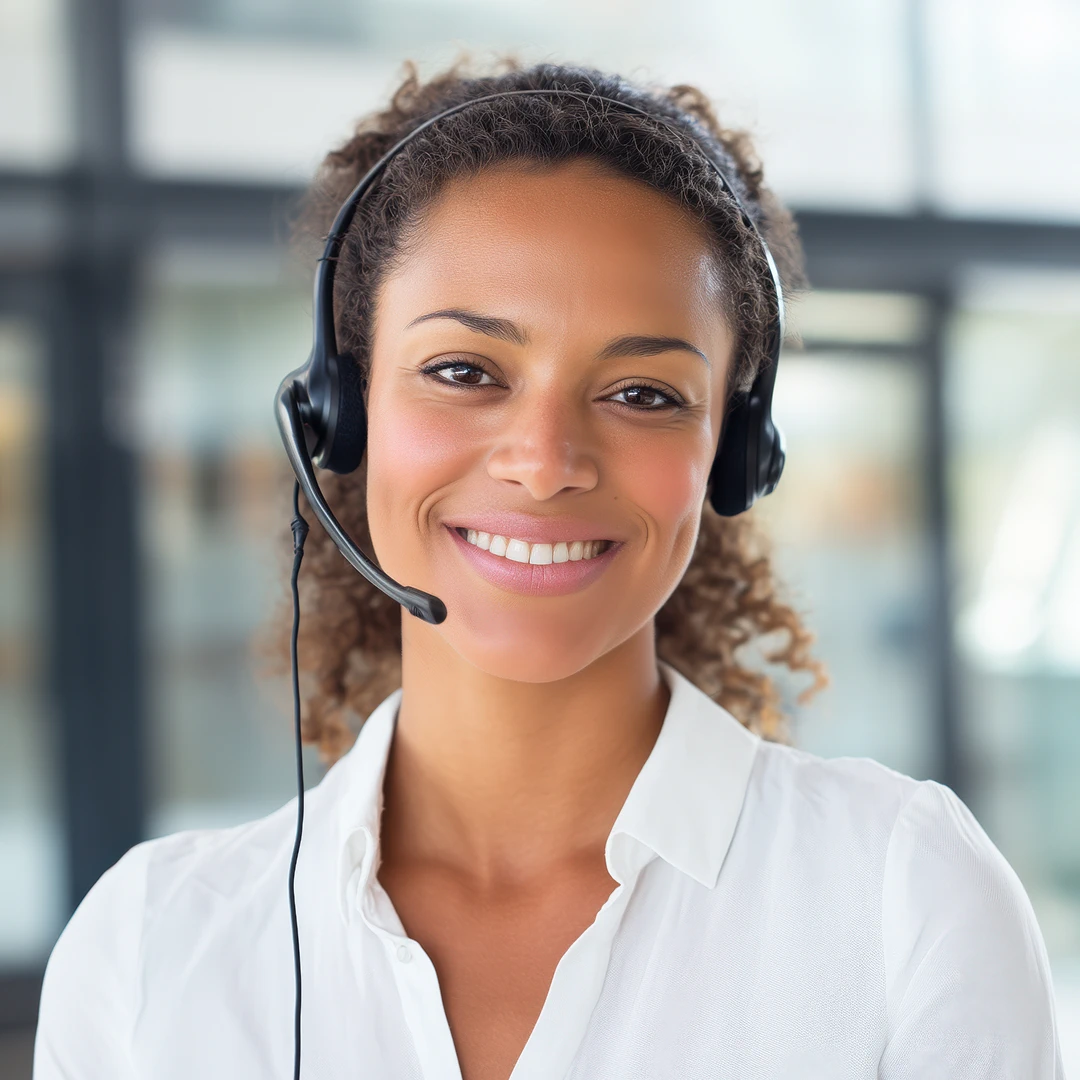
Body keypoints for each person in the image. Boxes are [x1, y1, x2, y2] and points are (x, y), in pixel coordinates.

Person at [34, 58, 1064, 1080]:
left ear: (733, 454)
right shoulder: (150, 951)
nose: (544, 461)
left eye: (644, 393)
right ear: (340, 414)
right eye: (464, 372)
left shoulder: (902, 901)